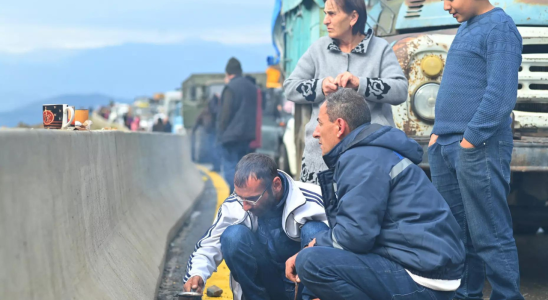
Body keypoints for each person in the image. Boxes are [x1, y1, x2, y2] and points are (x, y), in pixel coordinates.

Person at [285, 89, 465, 300]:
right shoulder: (372, 152)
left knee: (310, 262)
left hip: (422, 277)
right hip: (426, 268)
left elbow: (355, 236)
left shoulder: (361, 158)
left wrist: (313, 245)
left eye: (320, 123)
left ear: (340, 126)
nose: (315, 132)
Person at [428, 1, 524, 299]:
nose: (446, 6)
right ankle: (465, 295)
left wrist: (470, 139)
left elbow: (501, 94)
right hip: (446, 144)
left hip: (477, 147)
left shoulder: (500, 28)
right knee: (457, 234)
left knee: (490, 234)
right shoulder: (467, 26)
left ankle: (508, 296)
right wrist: (437, 134)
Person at [283, 0, 408, 185]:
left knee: (366, 210)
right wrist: (320, 87)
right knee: (319, 212)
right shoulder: (318, 49)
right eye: (325, 13)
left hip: (371, 154)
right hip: (320, 158)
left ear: (353, 17)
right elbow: (290, 88)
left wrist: (360, 84)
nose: (325, 21)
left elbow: (400, 91)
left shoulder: (380, 49)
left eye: (332, 14)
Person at [182, 154, 328, 300]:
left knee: (316, 230)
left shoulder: (313, 198)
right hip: (266, 285)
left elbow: (344, 238)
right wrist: (197, 274)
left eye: (252, 199)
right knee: (233, 236)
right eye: (241, 197)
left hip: (304, 284)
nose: (245, 206)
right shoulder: (236, 204)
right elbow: (209, 243)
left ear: (276, 185)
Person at [217, 57, 257, 192]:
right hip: (247, 136)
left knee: (229, 167)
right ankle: (245, 195)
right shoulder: (252, 87)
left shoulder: (230, 88)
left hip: (231, 137)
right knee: (244, 169)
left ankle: (235, 194)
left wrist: (220, 134)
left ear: (228, 73)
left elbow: (225, 114)